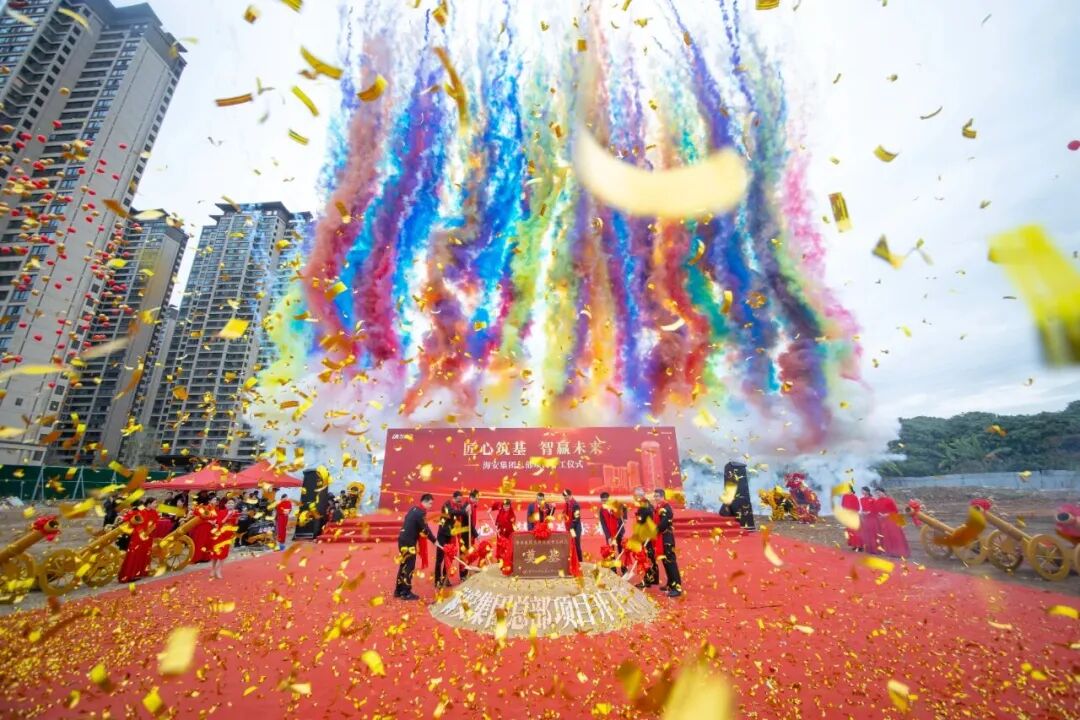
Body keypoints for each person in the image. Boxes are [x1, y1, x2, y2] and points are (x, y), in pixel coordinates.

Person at [395, 493, 437, 600]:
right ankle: (406, 592)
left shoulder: (414, 509)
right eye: (430, 503)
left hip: (402, 540)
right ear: (425, 502)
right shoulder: (420, 513)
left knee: (403, 565)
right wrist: (434, 541)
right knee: (409, 566)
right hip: (408, 543)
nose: (431, 506)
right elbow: (425, 529)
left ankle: (398, 590)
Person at [117, 502, 158, 583]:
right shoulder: (140, 509)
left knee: (144, 553)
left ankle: (140, 572)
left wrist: (149, 531)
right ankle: (129, 575)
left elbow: (155, 523)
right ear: (148, 504)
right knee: (134, 554)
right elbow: (129, 518)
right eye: (154, 503)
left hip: (147, 537)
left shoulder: (154, 512)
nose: (156, 505)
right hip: (138, 536)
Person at [653, 489, 682, 597]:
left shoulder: (666, 508)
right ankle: (670, 583)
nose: (655, 498)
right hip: (661, 539)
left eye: (657, 496)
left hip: (667, 539)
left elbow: (663, 524)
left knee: (671, 563)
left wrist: (654, 530)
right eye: (655, 496)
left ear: (662, 496)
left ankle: (677, 588)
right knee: (665, 562)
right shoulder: (659, 507)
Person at [435, 491, 466, 587]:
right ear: (454, 498)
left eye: (461, 501)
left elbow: (461, 512)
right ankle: (437, 580)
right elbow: (451, 512)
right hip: (442, 535)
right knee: (440, 559)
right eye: (458, 500)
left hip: (450, 535)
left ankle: (445, 579)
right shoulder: (446, 505)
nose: (460, 503)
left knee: (448, 558)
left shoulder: (458, 506)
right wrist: (464, 511)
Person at [632, 488, 660, 589]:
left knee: (646, 557)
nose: (635, 497)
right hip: (650, 534)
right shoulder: (648, 504)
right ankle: (654, 578)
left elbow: (641, 520)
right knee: (651, 556)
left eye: (635, 496)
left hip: (646, 534)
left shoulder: (643, 506)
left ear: (640, 496)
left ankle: (647, 580)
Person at [874, 487, 910, 558]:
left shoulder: (889, 500)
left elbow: (895, 511)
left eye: (879, 492)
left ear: (883, 492)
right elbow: (876, 511)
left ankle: (900, 552)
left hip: (892, 519)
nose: (878, 494)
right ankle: (891, 552)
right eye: (876, 493)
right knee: (887, 536)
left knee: (895, 535)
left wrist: (887, 514)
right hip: (883, 520)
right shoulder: (877, 501)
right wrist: (880, 514)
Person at [209, 498, 239, 579]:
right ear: (225, 505)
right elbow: (220, 522)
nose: (230, 504)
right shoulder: (221, 512)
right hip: (220, 534)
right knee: (216, 553)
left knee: (224, 554)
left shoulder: (235, 513)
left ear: (234, 505)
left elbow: (235, 524)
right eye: (229, 503)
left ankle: (219, 570)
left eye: (232, 503)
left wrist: (236, 517)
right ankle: (213, 569)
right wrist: (228, 515)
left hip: (228, 535)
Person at [858, 486, 881, 554]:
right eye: (861, 491)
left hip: (872, 518)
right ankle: (869, 548)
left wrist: (870, 512)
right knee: (867, 533)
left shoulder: (872, 499)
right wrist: (862, 512)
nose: (862, 492)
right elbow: (862, 508)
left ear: (867, 491)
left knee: (873, 532)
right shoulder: (861, 499)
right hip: (866, 518)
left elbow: (876, 508)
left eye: (863, 490)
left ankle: (876, 548)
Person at [840, 483, 863, 551]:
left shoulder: (854, 497)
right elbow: (843, 506)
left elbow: (857, 507)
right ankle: (854, 545)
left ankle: (860, 546)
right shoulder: (844, 496)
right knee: (850, 531)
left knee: (856, 531)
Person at [562, 488, 583, 562]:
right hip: (570, 528)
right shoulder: (566, 504)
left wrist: (570, 528)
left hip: (575, 529)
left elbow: (576, 519)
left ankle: (580, 561)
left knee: (576, 545)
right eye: (564, 498)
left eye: (567, 497)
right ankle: (573, 561)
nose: (565, 499)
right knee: (570, 545)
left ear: (571, 496)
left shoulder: (576, 505)